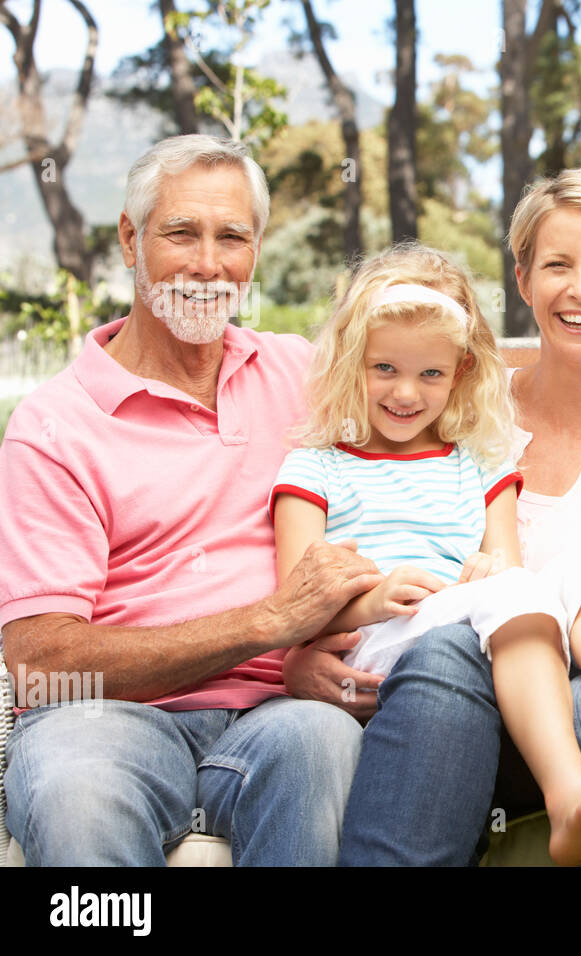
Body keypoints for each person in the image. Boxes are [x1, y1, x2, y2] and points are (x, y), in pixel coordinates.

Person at [274, 243, 581, 865]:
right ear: (350, 362)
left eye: (430, 374)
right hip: (379, 644)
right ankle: (566, 787)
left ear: (460, 373)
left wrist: (493, 571)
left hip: (468, 631)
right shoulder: (314, 468)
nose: (406, 392)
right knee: (518, 593)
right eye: (383, 368)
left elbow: (507, 566)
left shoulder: (483, 465)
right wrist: (368, 602)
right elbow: (294, 606)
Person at [0, 135, 382, 865]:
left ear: (255, 251)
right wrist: (268, 622)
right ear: (129, 239)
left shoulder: (300, 372)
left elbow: (434, 385)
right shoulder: (54, 425)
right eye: (181, 233)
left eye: (231, 237)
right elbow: (43, 664)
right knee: (77, 794)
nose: (207, 265)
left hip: (279, 713)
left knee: (325, 742)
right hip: (104, 720)